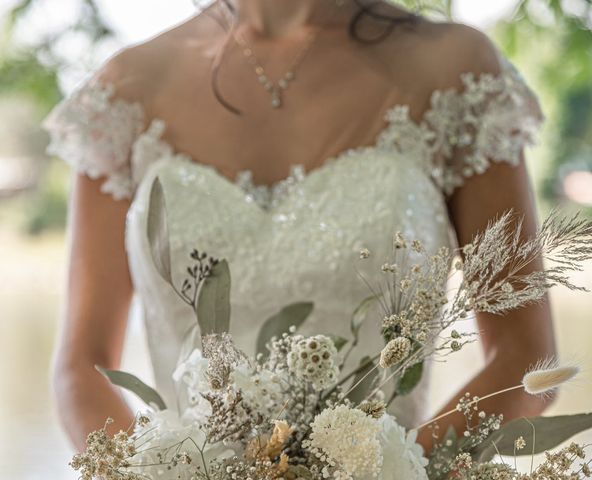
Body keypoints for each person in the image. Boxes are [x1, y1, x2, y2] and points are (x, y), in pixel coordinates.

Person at [44, 0, 556, 453]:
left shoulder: (454, 70)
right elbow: (82, 365)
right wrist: (150, 473)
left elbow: (525, 356)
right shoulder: (125, 91)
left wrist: (400, 472)